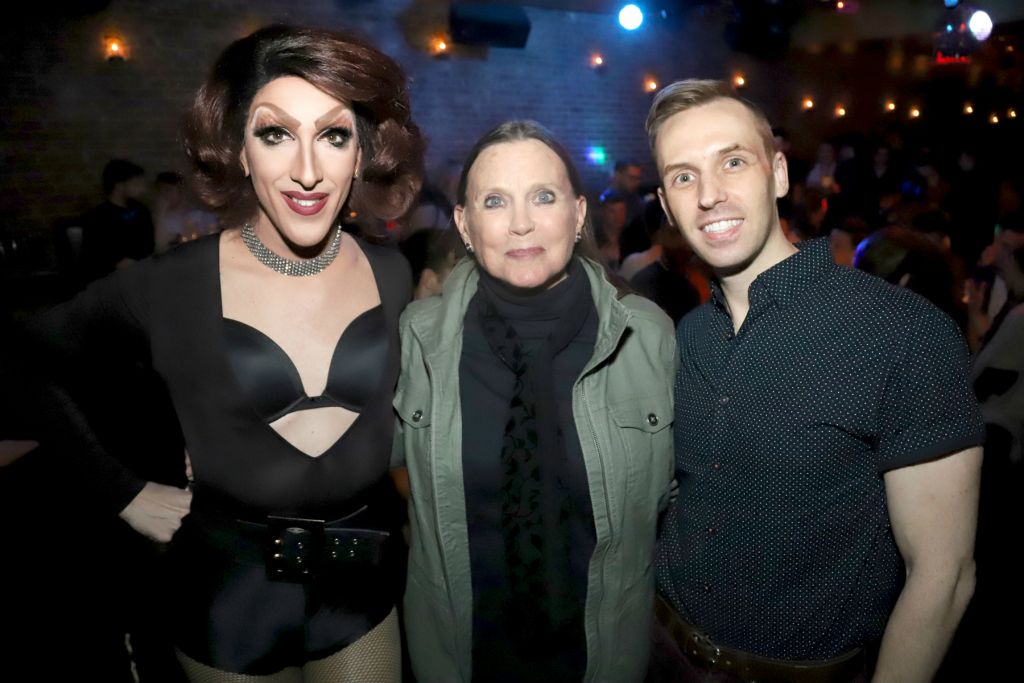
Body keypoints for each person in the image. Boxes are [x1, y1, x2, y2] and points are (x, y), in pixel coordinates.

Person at [23, 25, 424, 681]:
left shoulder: (392, 273)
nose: (306, 168)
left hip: (362, 585)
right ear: (239, 148)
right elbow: (22, 357)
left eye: (333, 133)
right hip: (230, 595)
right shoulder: (172, 283)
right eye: (275, 133)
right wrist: (120, 489)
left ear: (362, 153)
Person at [646, 80, 984, 682]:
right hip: (662, 652)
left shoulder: (902, 333)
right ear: (668, 206)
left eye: (732, 161)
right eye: (683, 176)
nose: (710, 195)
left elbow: (944, 574)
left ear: (777, 173)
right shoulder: (689, 335)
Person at [392, 120, 676, 682]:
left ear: (576, 214)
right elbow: (374, 465)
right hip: (460, 658)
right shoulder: (419, 336)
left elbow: (678, 500)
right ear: (465, 225)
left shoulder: (647, 334)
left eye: (542, 197)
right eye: (495, 201)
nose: (521, 223)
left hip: (602, 660)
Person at [79, 158, 156, 282]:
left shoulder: (140, 209)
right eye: (136, 183)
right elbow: (93, 254)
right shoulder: (97, 216)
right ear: (119, 185)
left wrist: (134, 259)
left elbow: (148, 242)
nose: (142, 189)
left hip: (141, 273)